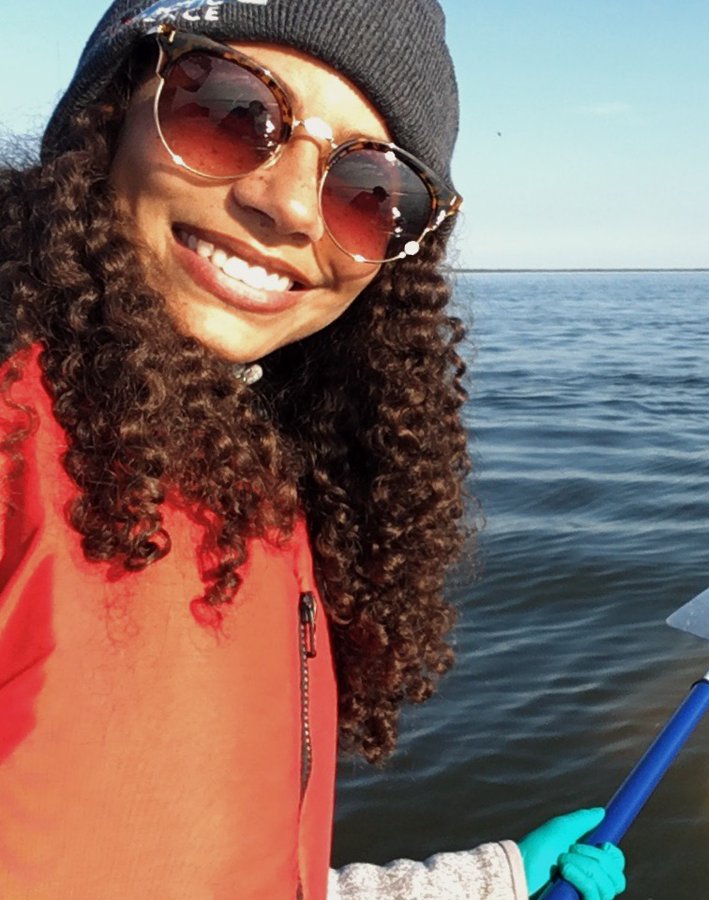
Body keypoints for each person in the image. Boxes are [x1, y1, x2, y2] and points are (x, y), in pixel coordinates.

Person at [0, 1, 626, 898]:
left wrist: (491, 880)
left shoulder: (257, 472)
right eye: (226, 109)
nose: (290, 206)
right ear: (109, 106)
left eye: (373, 192)